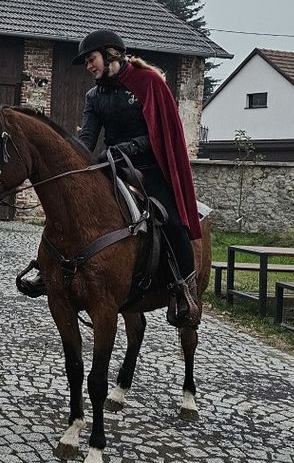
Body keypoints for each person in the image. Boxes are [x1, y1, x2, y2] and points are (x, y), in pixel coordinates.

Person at [20, 29, 203, 328]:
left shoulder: (148, 83)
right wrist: (73, 160)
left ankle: (183, 288)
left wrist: (127, 147)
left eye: (91, 59)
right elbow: (88, 139)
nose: (89, 67)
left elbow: (159, 133)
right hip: (111, 163)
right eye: (87, 62)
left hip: (150, 165)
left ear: (111, 54)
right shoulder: (94, 95)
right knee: (69, 209)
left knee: (171, 221)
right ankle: (47, 267)